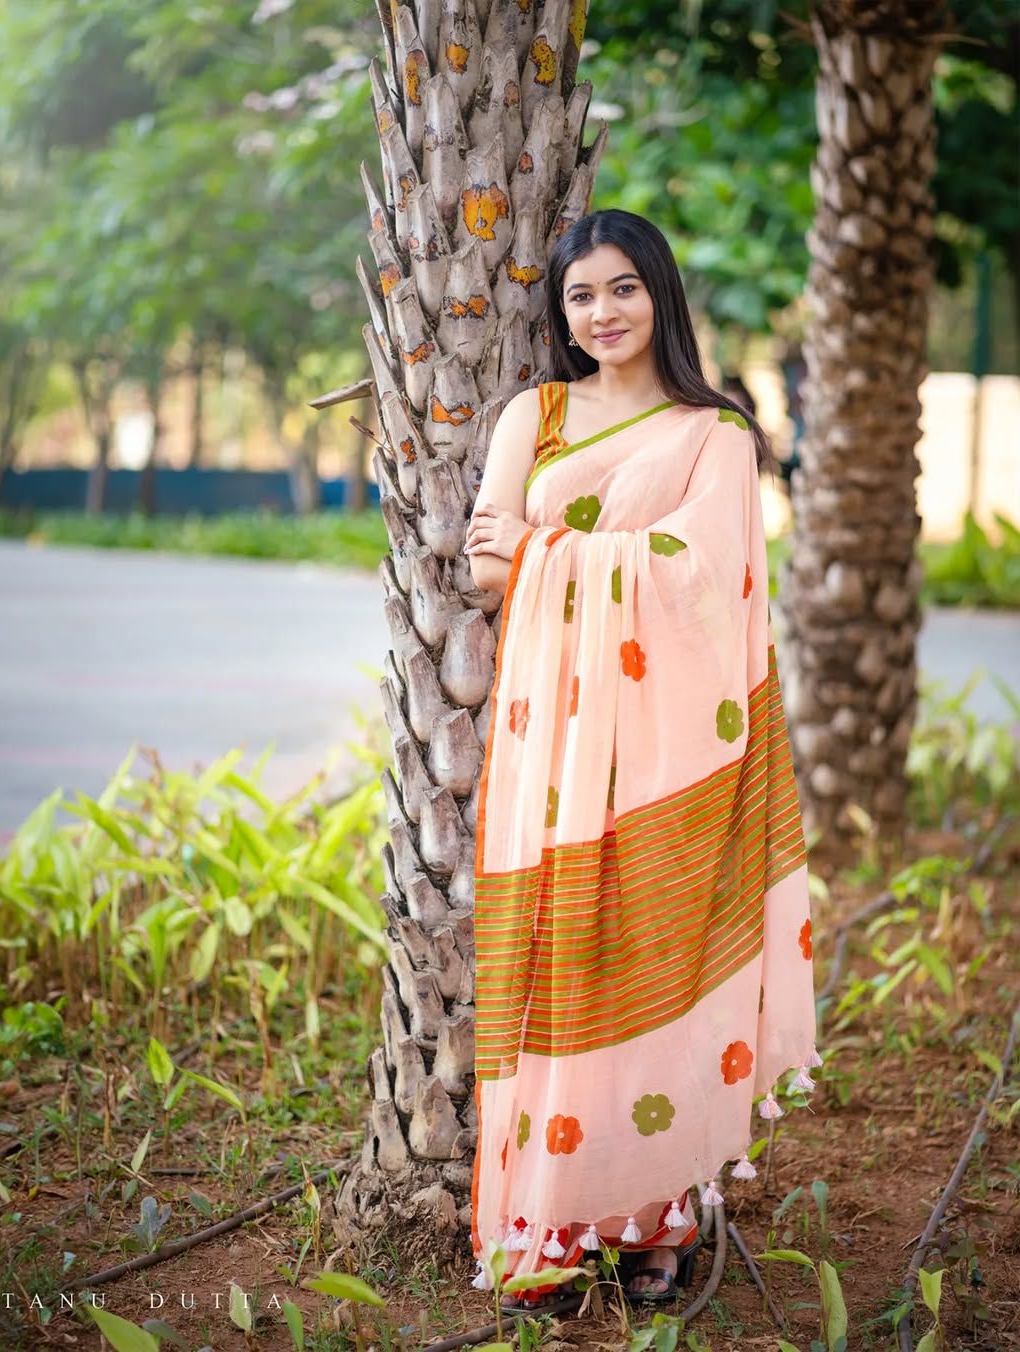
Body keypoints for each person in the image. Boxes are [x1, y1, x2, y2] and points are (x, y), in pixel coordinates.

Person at [462, 208, 820, 1311]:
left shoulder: (714, 435)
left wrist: (548, 549)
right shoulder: (540, 412)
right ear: (560, 313)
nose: (603, 312)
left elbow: (708, 578)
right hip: (557, 749)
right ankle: (556, 1217)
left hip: (675, 754)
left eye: (622, 288)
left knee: (656, 955)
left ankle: (659, 1212)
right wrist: (585, 556)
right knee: (566, 955)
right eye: (580, 296)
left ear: (658, 293)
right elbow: (482, 562)